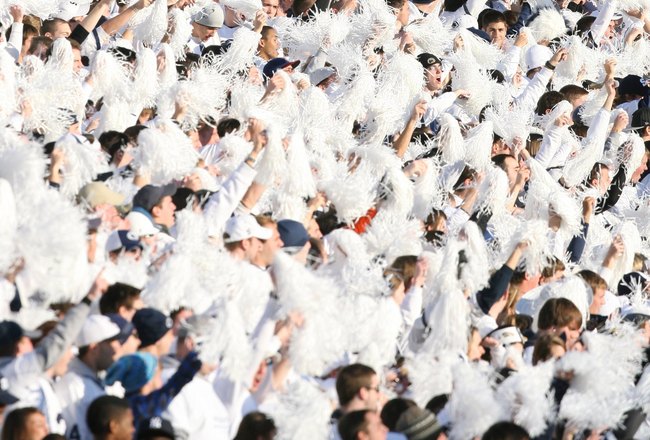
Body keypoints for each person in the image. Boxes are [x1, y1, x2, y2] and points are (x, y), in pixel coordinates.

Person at [55, 315, 121, 440]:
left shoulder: (93, 380)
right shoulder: (73, 384)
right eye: (110, 342)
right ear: (94, 347)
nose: (116, 348)